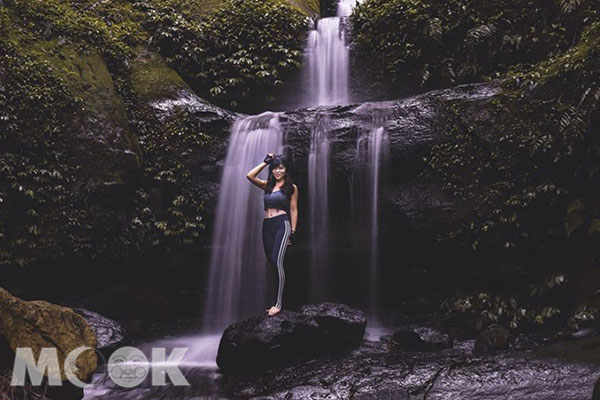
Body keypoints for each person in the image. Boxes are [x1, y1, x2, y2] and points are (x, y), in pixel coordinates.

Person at [246, 153, 298, 316]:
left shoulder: (291, 188)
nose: (277, 171)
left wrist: (292, 232)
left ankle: (278, 304)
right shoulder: (267, 186)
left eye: (280, 167)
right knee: (271, 262)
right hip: (267, 226)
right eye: (274, 168)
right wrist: (265, 162)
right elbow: (250, 175)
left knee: (277, 261)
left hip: (282, 225)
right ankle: (280, 296)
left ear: (286, 169)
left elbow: (294, 210)